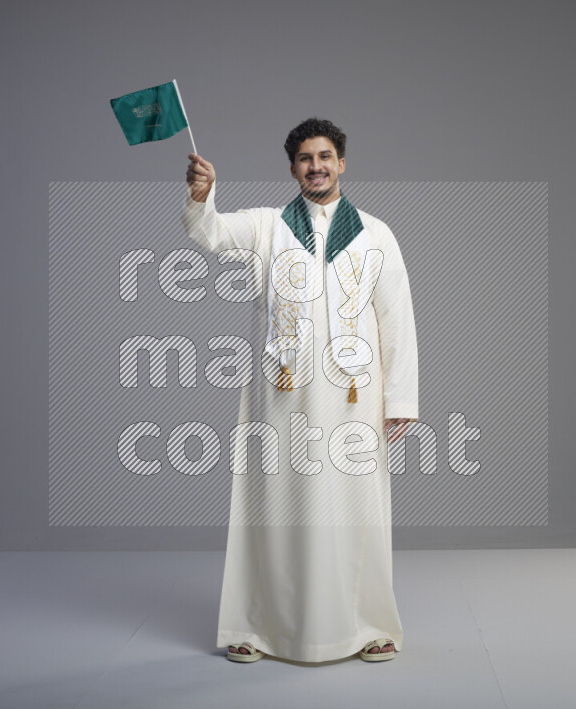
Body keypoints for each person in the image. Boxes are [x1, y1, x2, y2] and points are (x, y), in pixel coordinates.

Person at [181, 118, 418, 663]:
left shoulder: (376, 234)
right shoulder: (269, 227)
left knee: (357, 511)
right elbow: (212, 233)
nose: (317, 166)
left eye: (326, 156)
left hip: (354, 397)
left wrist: (401, 399)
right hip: (281, 394)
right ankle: (258, 628)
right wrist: (202, 196)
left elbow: (396, 318)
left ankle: (366, 626)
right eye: (306, 158)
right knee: (273, 507)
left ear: (342, 163)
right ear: (293, 169)